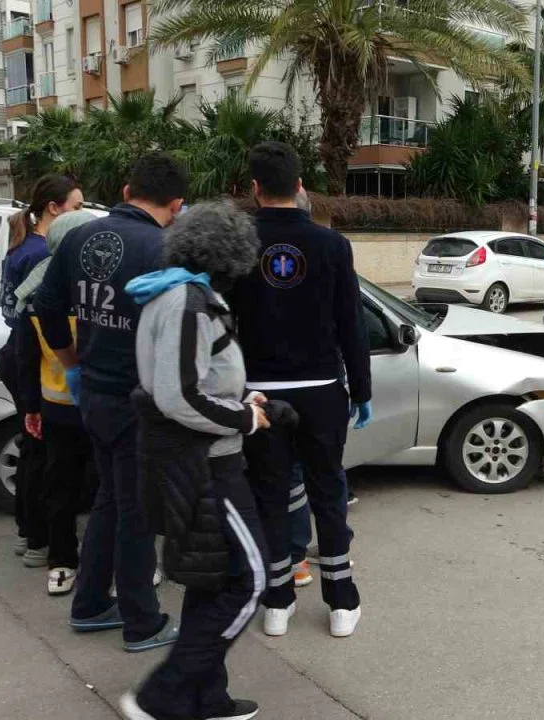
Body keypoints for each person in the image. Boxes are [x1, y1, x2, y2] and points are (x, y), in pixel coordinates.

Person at [120, 201, 280, 720]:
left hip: (198, 458)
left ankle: (206, 698)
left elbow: (194, 381)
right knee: (251, 579)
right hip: (208, 464)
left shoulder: (179, 295)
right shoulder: (189, 304)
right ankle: (162, 693)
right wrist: (246, 418)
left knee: (212, 578)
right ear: (230, 257)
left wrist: (243, 401)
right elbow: (180, 396)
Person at [35, 153, 186, 653]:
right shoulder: (164, 248)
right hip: (138, 401)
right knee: (138, 512)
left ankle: (91, 603)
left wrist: (73, 363)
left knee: (110, 501)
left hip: (94, 392)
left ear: (126, 191)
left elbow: (47, 307)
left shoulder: (78, 236)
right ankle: (142, 622)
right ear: (177, 204)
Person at [231, 141, 372, 638]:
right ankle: (341, 601)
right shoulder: (332, 245)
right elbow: (351, 323)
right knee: (327, 490)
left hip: (259, 394)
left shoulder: (238, 243)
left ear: (255, 189)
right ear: (299, 186)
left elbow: (223, 323)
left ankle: (278, 601)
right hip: (321, 389)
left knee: (271, 495)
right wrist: (362, 389)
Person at [0, 174, 84, 564]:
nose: (80, 214)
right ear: (54, 207)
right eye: (76, 207)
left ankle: (31, 534)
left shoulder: (26, 247)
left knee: (35, 449)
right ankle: (37, 537)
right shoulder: (43, 257)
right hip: (32, 357)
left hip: (22, 352)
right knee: (41, 452)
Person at [13, 209, 96, 595]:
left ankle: (61, 564)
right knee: (108, 488)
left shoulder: (32, 290)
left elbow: (25, 358)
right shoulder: (98, 288)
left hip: (56, 405)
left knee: (61, 486)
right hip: (95, 406)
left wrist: (31, 406)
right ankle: (105, 563)